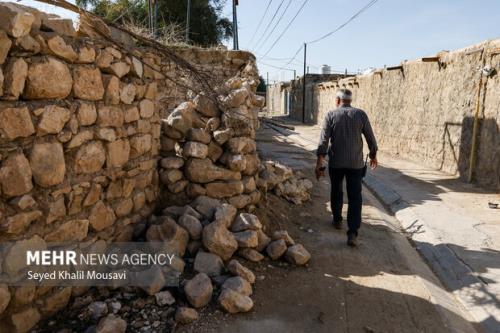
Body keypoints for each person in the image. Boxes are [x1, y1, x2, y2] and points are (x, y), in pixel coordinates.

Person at [315, 88, 378, 246]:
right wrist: (373, 156)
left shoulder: (331, 115)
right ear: (350, 101)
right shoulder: (361, 114)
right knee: (355, 197)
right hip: (355, 164)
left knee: (336, 190)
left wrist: (319, 162)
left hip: (336, 162)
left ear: (338, 100)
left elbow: (323, 140)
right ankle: (352, 233)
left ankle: (337, 220)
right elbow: (371, 138)